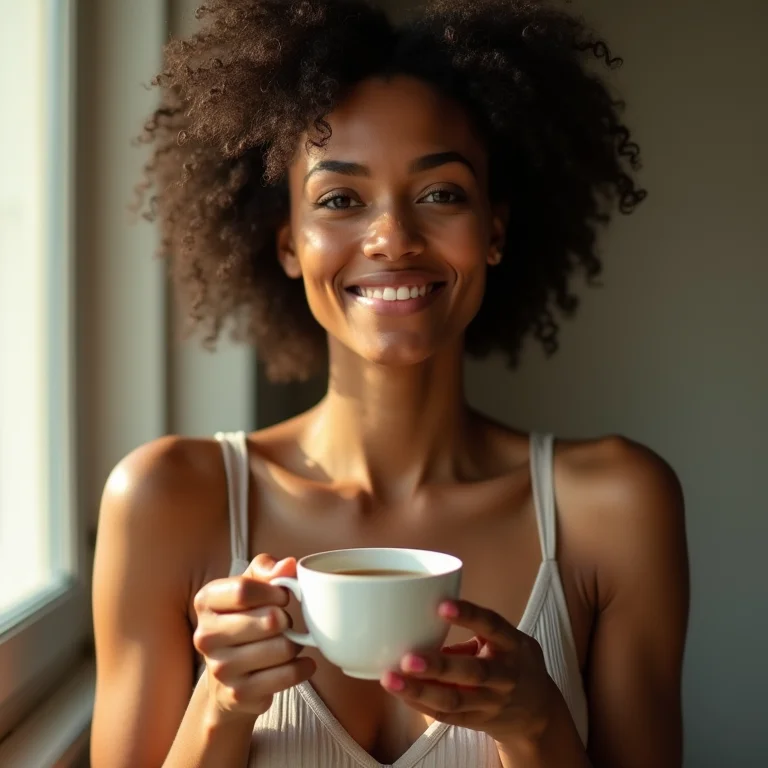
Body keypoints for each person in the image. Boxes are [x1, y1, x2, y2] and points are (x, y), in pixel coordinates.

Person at [90, 1, 689, 766]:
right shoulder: (167, 502)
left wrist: (538, 725)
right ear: (288, 244)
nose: (393, 239)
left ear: (494, 230)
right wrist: (222, 705)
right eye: (340, 199)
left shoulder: (614, 508)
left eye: (441, 194)